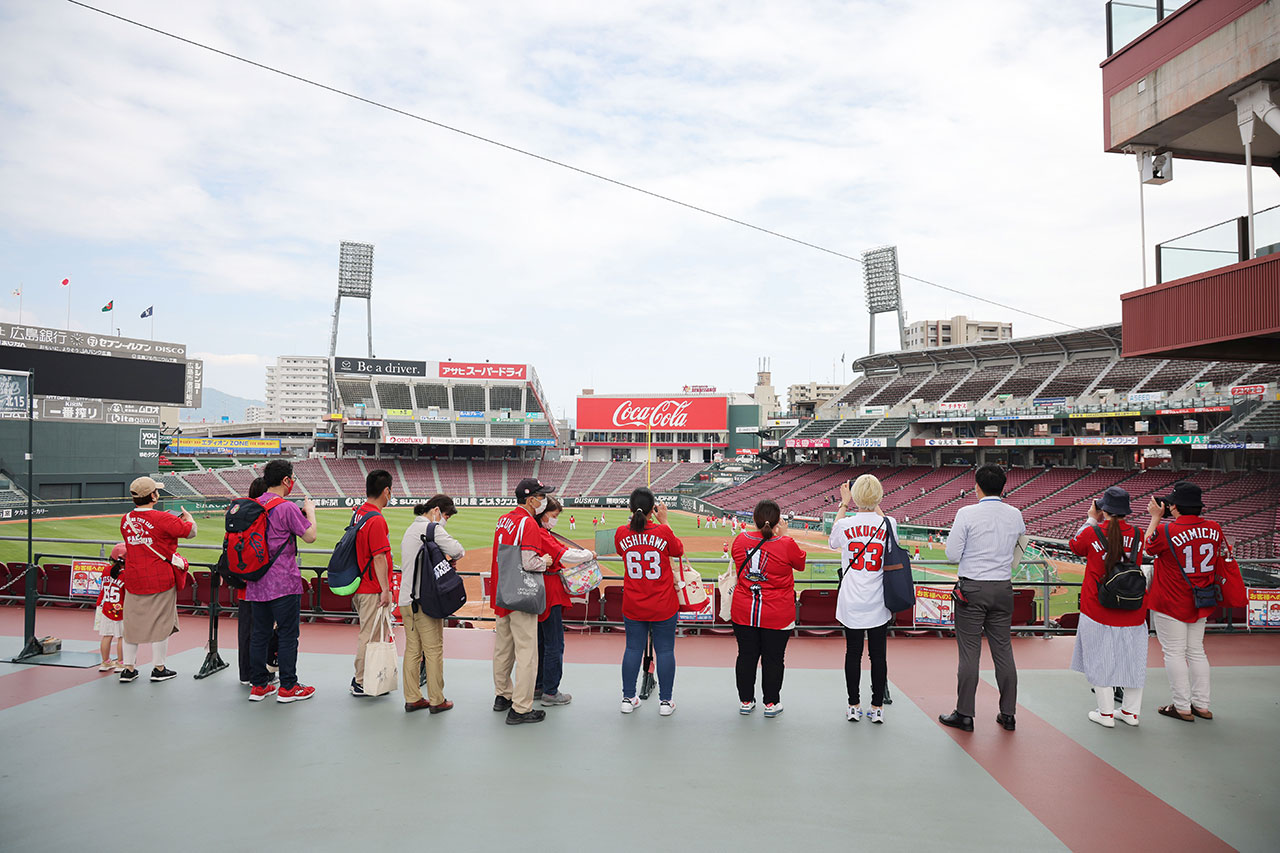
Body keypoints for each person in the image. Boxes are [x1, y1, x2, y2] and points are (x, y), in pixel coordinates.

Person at [939, 464, 1026, 732]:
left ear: (977, 487)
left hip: (973, 588)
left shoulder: (967, 513)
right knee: (1003, 651)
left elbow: (952, 555)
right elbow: (1020, 546)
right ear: (1003, 487)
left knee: (969, 654)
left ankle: (965, 714)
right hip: (1002, 587)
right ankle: (1008, 713)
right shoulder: (1015, 514)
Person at [1142, 481, 1223, 722]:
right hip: (1202, 598)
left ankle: (1182, 706)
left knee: (1174, 653)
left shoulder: (1168, 530)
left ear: (1175, 506)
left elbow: (1148, 546)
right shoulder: (1215, 527)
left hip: (1171, 599)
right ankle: (1202, 704)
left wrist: (1156, 517)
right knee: (1197, 651)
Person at [1068, 487, 1146, 728]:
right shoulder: (1138, 532)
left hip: (1098, 607)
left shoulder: (1093, 532)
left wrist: (1092, 517)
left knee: (1099, 659)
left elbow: (1074, 546)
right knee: (1133, 661)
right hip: (1133, 608)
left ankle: (1106, 713)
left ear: (1105, 509)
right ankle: (1131, 713)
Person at [244, 461, 318, 703]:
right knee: (287, 635)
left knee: (259, 635)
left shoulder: (254, 504)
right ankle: (288, 686)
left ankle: (259, 685)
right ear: (287, 480)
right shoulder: (286, 508)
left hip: (256, 581)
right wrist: (311, 511)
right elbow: (310, 536)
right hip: (283, 582)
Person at [490, 478, 559, 724]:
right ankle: (521, 708)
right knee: (527, 653)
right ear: (530, 499)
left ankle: (502, 695)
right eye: (541, 496)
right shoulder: (528, 523)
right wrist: (547, 562)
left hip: (501, 592)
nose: (543, 500)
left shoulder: (504, 518)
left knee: (502, 650)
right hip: (520, 594)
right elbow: (529, 562)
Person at [731, 499, 806, 717]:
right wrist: (785, 534)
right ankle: (771, 703)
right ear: (776, 521)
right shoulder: (785, 543)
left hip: (744, 610)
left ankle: (746, 700)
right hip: (777, 613)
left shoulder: (740, 540)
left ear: (754, 519)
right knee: (774, 659)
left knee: (746, 656)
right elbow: (800, 564)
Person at [830, 475, 895, 724]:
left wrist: (844, 504)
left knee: (852, 653)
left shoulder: (846, 524)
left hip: (851, 600)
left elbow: (833, 540)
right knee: (878, 656)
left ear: (855, 497)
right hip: (878, 600)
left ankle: (853, 705)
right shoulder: (889, 523)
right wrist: (872, 502)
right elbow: (883, 519)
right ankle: (877, 706)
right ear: (879, 497)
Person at [118, 477, 196, 683]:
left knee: (132, 625)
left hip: (134, 578)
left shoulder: (125, 519)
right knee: (162, 623)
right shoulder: (163, 518)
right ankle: (159, 668)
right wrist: (188, 518)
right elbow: (190, 532)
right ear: (153, 495)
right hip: (160, 577)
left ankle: (128, 668)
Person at [615, 487, 684, 716]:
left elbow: (621, 549)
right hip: (663, 603)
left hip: (634, 602)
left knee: (632, 649)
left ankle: (628, 697)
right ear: (653, 508)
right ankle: (665, 701)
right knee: (665, 651)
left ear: (630, 508)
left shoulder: (621, 533)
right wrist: (664, 522)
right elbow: (678, 550)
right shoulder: (663, 531)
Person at [399, 496, 462, 713]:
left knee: (412, 651)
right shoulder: (431, 528)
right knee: (434, 651)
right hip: (424, 601)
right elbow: (458, 550)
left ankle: (412, 697)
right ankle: (437, 699)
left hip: (405, 601)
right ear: (436, 510)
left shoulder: (411, 530)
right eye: (445, 515)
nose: (445, 520)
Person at [533, 497, 595, 707]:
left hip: (542, 591)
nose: (555, 520)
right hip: (550, 593)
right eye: (554, 515)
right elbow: (566, 554)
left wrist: (585, 554)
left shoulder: (541, 532)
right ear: (543, 513)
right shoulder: (541, 533)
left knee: (542, 642)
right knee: (554, 643)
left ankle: (540, 685)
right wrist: (588, 554)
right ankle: (550, 691)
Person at [348, 469, 395, 697]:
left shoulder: (359, 513)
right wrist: (386, 590)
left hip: (360, 584)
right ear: (386, 491)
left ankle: (366, 676)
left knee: (370, 633)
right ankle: (361, 680)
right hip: (371, 588)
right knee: (370, 635)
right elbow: (379, 557)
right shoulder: (376, 519)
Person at [237, 476, 278, 687]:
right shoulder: (263, 515)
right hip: (260, 583)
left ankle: (246, 673)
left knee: (246, 631)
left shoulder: (240, 512)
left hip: (243, 580)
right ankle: (259, 674)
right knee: (262, 631)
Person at [95, 543, 127, 672]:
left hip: (105, 606)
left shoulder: (106, 569)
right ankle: (121, 662)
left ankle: (105, 662)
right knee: (122, 637)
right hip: (121, 608)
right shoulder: (125, 573)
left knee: (107, 635)